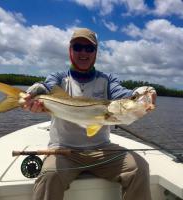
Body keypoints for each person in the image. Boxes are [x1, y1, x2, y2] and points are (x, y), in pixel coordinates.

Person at [24, 28, 156, 200]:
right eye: (78, 47)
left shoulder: (107, 80)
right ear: (70, 50)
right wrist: (34, 94)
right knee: (49, 175)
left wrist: (143, 92)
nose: (83, 52)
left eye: (89, 48)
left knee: (139, 168)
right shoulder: (59, 77)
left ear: (96, 52)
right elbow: (47, 87)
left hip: (102, 149)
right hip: (63, 150)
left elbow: (122, 95)